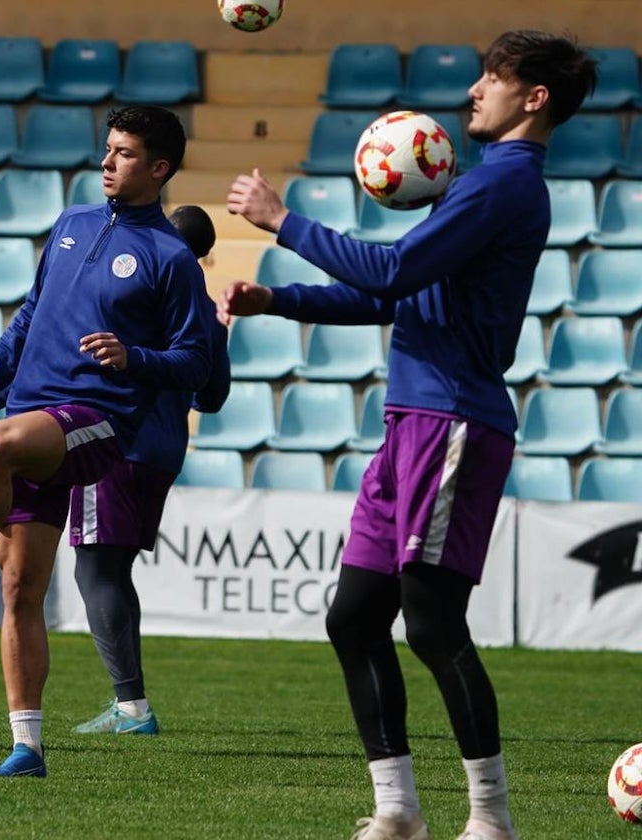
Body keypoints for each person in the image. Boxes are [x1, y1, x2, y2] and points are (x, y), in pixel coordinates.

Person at [218, 31, 596, 840]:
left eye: (493, 79)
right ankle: (398, 812)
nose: (474, 93)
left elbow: (389, 274)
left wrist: (283, 221)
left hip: (454, 422)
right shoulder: (485, 185)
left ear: (534, 98)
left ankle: (491, 820)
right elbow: (399, 298)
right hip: (414, 424)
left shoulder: (504, 185)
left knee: (431, 625)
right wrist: (279, 303)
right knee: (354, 619)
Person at [0, 105, 217, 778]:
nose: (107, 161)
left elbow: (196, 366)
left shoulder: (172, 259)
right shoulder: (71, 224)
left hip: (97, 422)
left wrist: (134, 357)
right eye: (108, 148)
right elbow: (29, 319)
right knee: (21, 589)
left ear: (159, 168)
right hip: (34, 410)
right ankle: (27, 747)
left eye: (123, 153)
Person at [69, 204, 231, 736]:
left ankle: (132, 707)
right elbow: (212, 398)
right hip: (163, 451)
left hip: (114, 442)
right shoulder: (202, 308)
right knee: (115, 570)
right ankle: (129, 704)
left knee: (93, 569)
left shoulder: (134, 290)